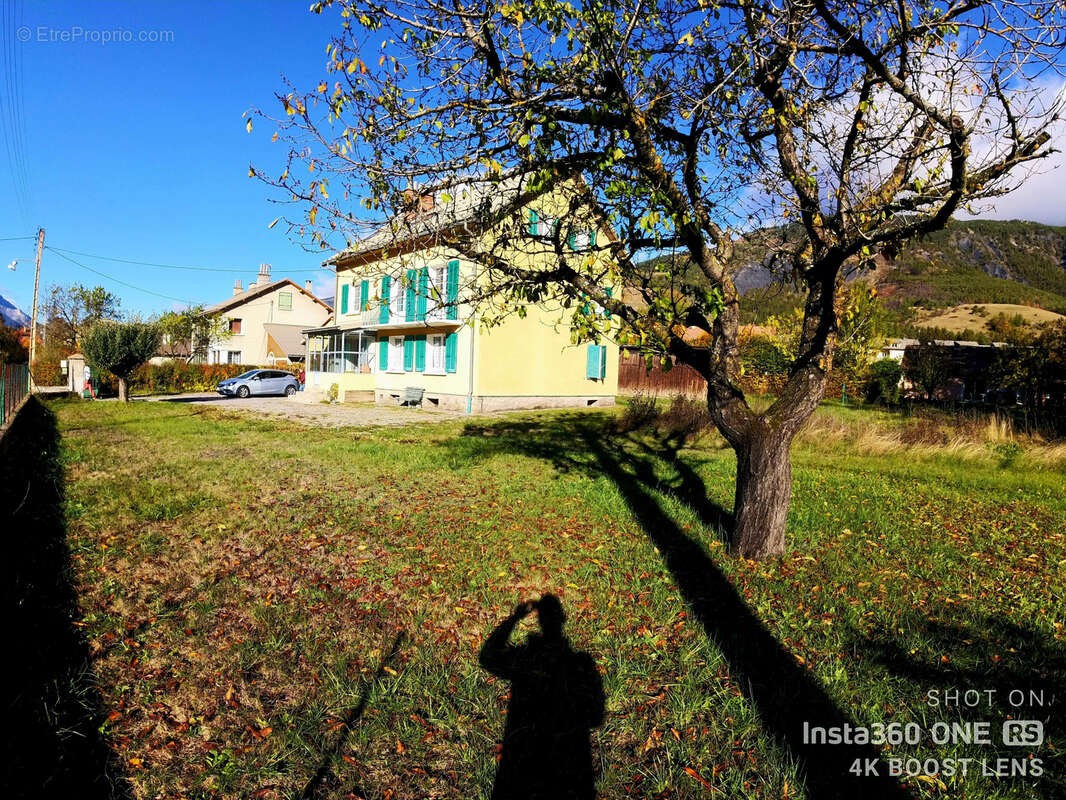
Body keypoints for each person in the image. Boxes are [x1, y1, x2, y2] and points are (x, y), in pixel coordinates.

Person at [479, 594, 605, 800]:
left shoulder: (525, 660)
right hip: (568, 763)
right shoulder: (579, 663)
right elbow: (595, 717)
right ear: (563, 619)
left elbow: (488, 656)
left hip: (523, 761)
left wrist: (514, 618)